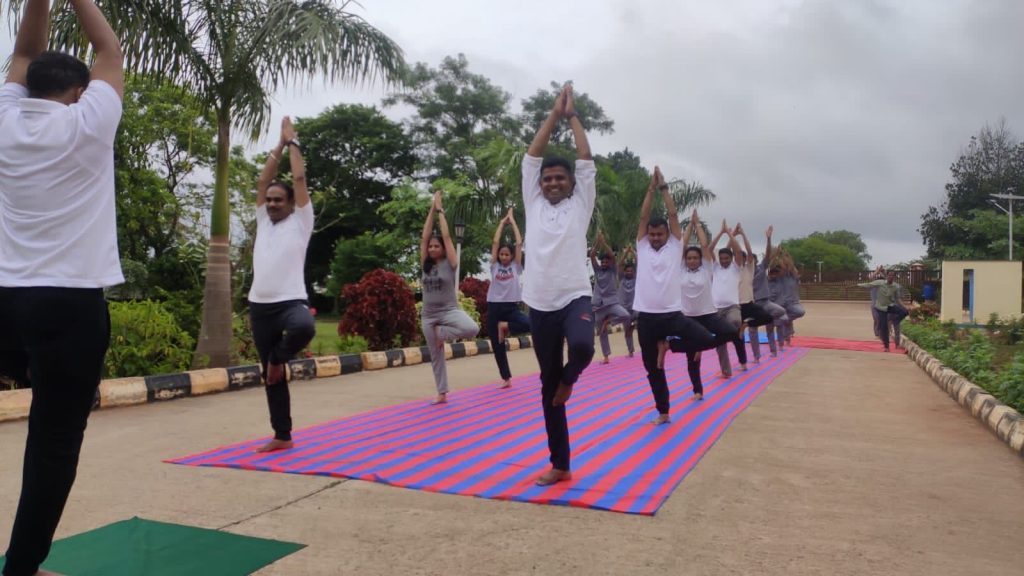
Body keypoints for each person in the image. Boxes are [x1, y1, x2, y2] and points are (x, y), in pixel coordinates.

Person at [0, 1, 124, 574]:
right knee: (52, 440)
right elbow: (110, 51)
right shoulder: (88, 123)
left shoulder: (5, 119)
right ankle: (21, 568)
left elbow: (23, 53)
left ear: (27, 88)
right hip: (70, 304)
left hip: (4, 299)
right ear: (78, 91)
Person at [521, 84, 596, 485]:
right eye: (547, 179)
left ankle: (570, 380)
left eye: (559, 178)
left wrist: (571, 116)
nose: (551, 183)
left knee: (582, 348)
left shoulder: (580, 205)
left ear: (570, 183)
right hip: (539, 302)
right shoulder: (532, 203)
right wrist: (551, 114)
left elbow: (585, 159)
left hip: (574, 296)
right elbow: (532, 157)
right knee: (547, 386)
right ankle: (560, 464)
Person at [248, 116, 317, 454]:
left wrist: (292, 143)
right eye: (270, 200)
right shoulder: (264, 221)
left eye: (279, 200)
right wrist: (276, 143)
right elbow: (263, 181)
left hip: (290, 302)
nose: (272, 203)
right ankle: (282, 435)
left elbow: (300, 177)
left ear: (291, 204)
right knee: (271, 378)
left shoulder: (301, 222)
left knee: (304, 326)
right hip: (259, 307)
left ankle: (279, 358)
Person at [635, 170, 717, 423]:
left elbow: (672, 215)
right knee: (653, 369)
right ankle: (663, 411)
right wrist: (649, 190)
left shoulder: (674, 246)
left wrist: (663, 189)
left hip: (671, 315)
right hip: (646, 317)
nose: (656, 237)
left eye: (660, 234)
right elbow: (644, 216)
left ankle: (669, 346)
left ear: (668, 235)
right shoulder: (642, 246)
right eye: (653, 234)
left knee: (706, 340)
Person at [420, 190, 480, 405]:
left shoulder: (451, 263)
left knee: (472, 328)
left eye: (437, 246)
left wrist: (441, 211)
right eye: (431, 246)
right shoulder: (425, 264)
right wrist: (431, 209)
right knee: (436, 356)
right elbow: (425, 235)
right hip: (428, 316)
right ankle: (442, 393)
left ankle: (441, 334)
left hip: (448, 311)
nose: (433, 247)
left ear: (443, 249)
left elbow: (446, 236)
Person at [676, 210, 738, 402]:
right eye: (690, 258)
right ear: (685, 260)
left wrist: (698, 225)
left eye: (696, 258)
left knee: (731, 332)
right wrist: (688, 227)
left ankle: (682, 345)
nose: (693, 260)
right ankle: (697, 390)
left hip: (708, 315)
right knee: (692, 358)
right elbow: (681, 245)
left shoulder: (707, 269)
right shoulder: (679, 270)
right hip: (688, 318)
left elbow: (704, 245)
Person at [486, 207, 530, 389]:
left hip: (511, 307)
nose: (503, 256)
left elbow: (519, 243)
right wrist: (502, 223)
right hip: (494, 307)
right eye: (501, 254)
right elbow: (495, 242)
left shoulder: (516, 266)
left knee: (530, 323)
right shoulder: (494, 266)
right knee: (497, 346)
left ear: (511, 256)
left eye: (507, 254)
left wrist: (512, 223)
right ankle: (506, 378)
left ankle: (506, 327)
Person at [709, 220, 749, 375]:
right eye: (722, 258)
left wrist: (732, 236)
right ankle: (726, 371)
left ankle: (738, 330)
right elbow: (710, 248)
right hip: (716, 309)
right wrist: (722, 232)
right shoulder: (715, 268)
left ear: (731, 259)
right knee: (720, 343)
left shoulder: (735, 268)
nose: (724, 260)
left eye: (727, 258)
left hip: (732, 307)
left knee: (735, 321)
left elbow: (738, 251)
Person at [732, 224, 775, 363]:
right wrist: (732, 234)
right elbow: (730, 249)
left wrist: (743, 234)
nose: (741, 260)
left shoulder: (749, 269)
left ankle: (747, 324)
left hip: (749, 304)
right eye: (738, 258)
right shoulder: (732, 270)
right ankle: (743, 362)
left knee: (768, 318)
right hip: (736, 307)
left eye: (743, 258)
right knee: (738, 337)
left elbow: (749, 252)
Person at [590, 230, 632, 364]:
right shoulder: (597, 270)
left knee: (626, 315)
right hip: (598, 305)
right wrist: (597, 243)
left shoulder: (613, 270)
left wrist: (604, 243)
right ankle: (606, 356)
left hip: (612, 303)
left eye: (606, 262)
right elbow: (592, 255)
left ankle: (609, 322)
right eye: (602, 262)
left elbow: (613, 258)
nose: (604, 264)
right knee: (601, 333)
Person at [751, 226, 788, 357]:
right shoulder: (742, 274)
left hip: (765, 303)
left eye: (754, 260)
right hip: (752, 305)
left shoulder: (761, 268)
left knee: (780, 313)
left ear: (755, 262)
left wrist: (768, 238)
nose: (752, 262)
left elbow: (767, 255)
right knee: (752, 331)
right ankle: (756, 356)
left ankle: (774, 350)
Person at [858, 270, 908, 351]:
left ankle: (896, 344)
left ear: (894, 277)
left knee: (896, 326)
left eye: (892, 275)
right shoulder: (878, 284)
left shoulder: (896, 286)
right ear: (886, 277)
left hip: (892, 308)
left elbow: (898, 299)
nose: (890, 277)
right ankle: (885, 345)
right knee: (882, 325)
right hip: (880, 307)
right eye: (889, 275)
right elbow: (870, 282)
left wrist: (905, 308)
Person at [617, 246, 638, 358]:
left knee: (643, 318)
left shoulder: (637, 279)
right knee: (627, 332)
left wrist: (633, 252)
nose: (629, 272)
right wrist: (625, 253)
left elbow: (639, 263)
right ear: (624, 272)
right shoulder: (621, 279)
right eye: (627, 271)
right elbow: (619, 265)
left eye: (631, 271)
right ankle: (631, 352)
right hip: (624, 309)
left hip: (635, 308)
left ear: (634, 272)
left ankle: (634, 325)